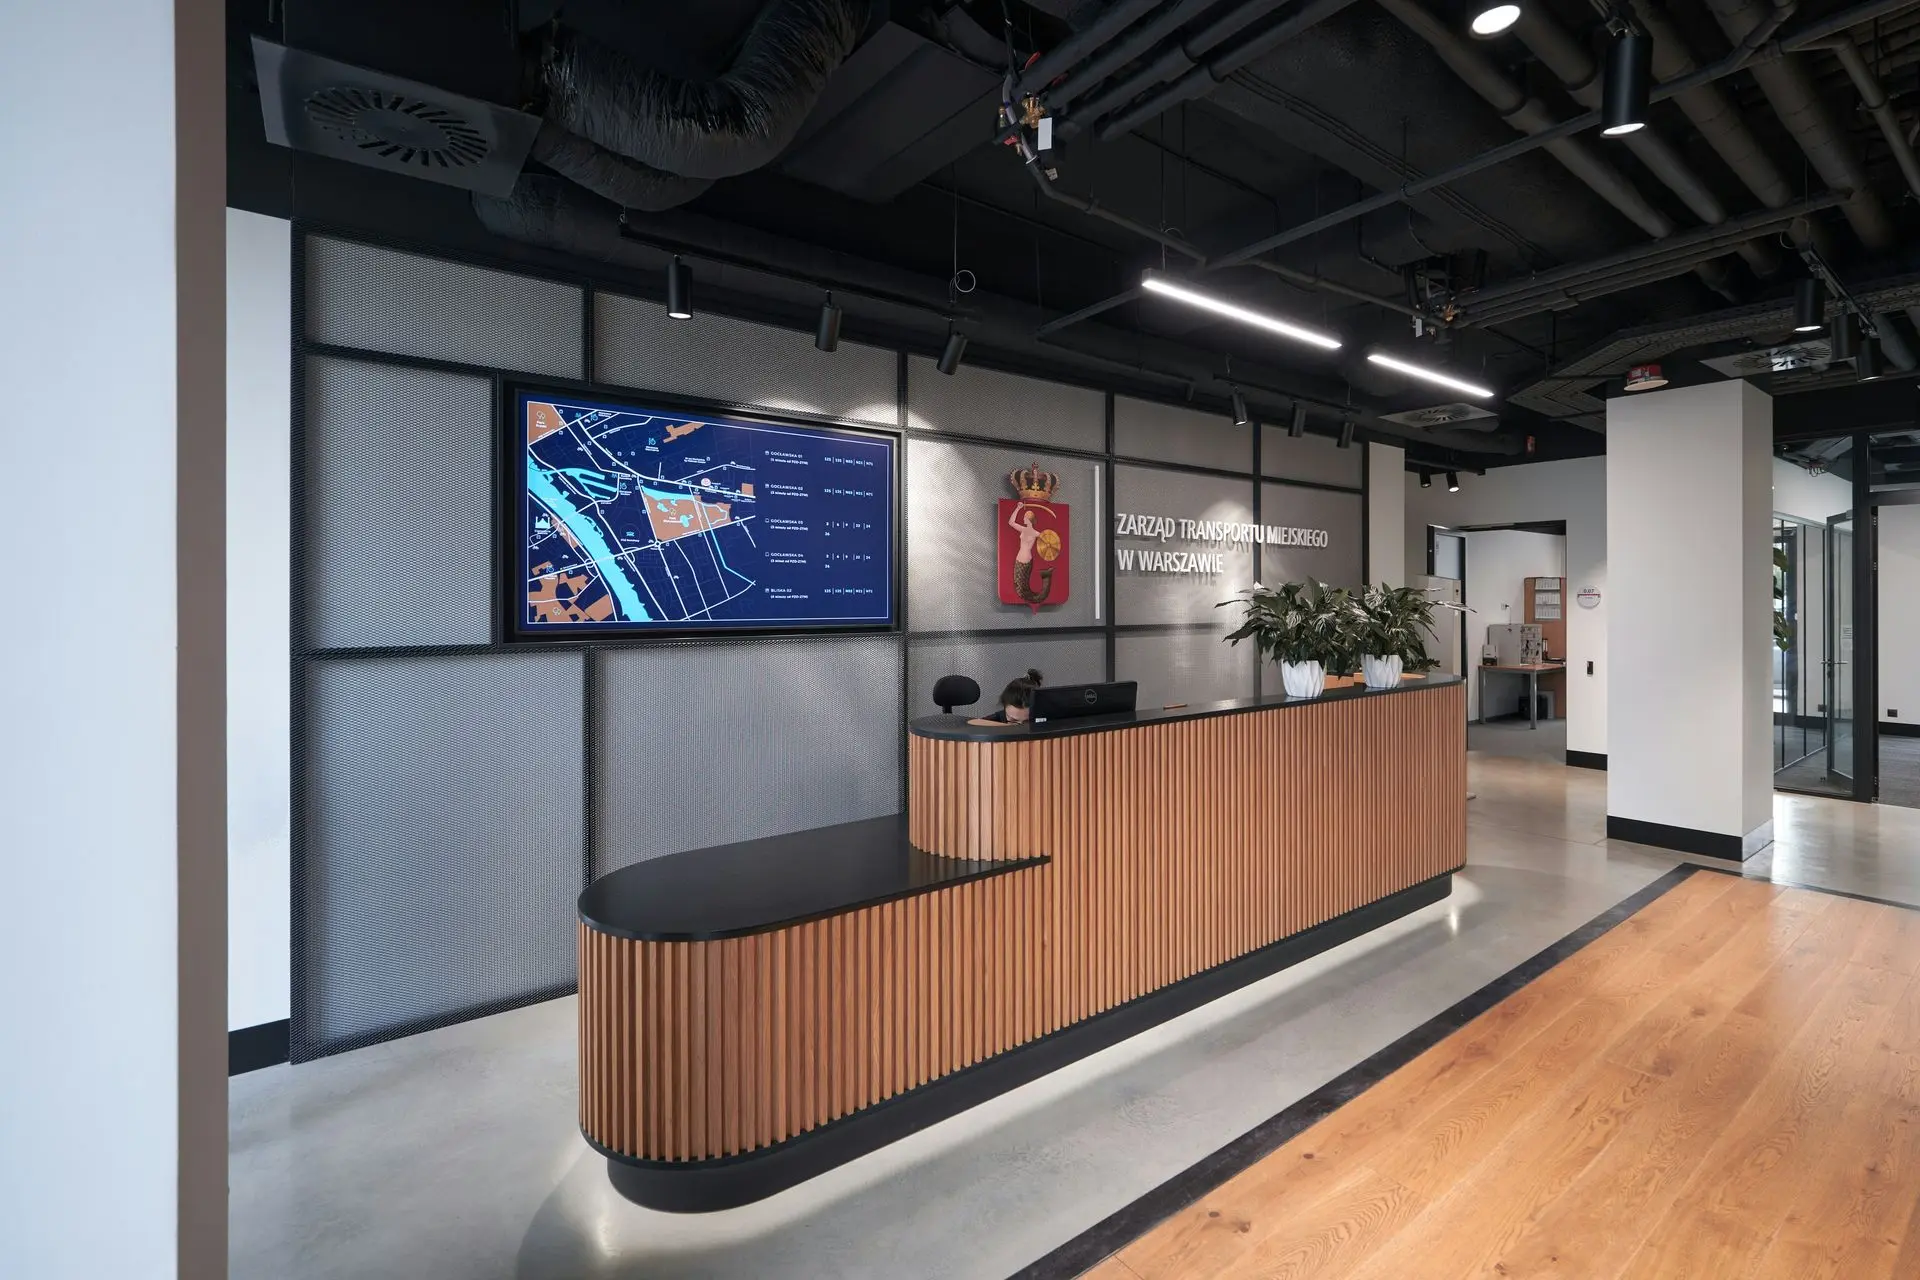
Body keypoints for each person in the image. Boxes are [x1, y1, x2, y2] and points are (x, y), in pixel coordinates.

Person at [968, 669, 1043, 726]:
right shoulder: (990, 722)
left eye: (1027, 722)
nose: (1020, 729)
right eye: (1013, 721)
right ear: (1005, 708)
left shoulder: (1048, 722)